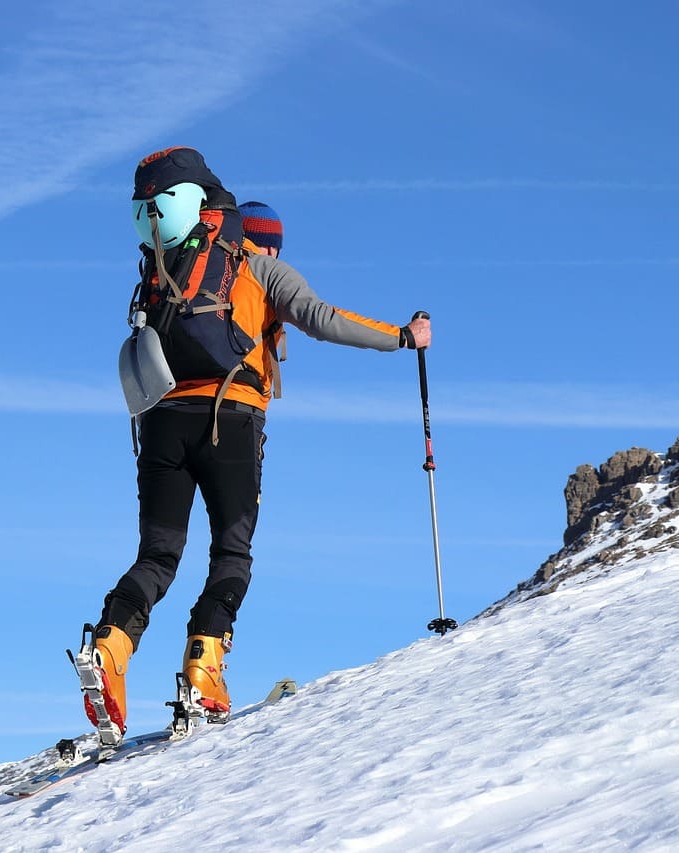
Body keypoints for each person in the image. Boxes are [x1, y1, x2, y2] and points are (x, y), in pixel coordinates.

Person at [86, 147, 431, 737]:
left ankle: (111, 649)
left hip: (161, 421)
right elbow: (322, 318)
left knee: (157, 556)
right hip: (231, 422)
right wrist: (402, 336)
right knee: (231, 553)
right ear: (267, 238)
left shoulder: (171, 263)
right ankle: (203, 669)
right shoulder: (261, 268)